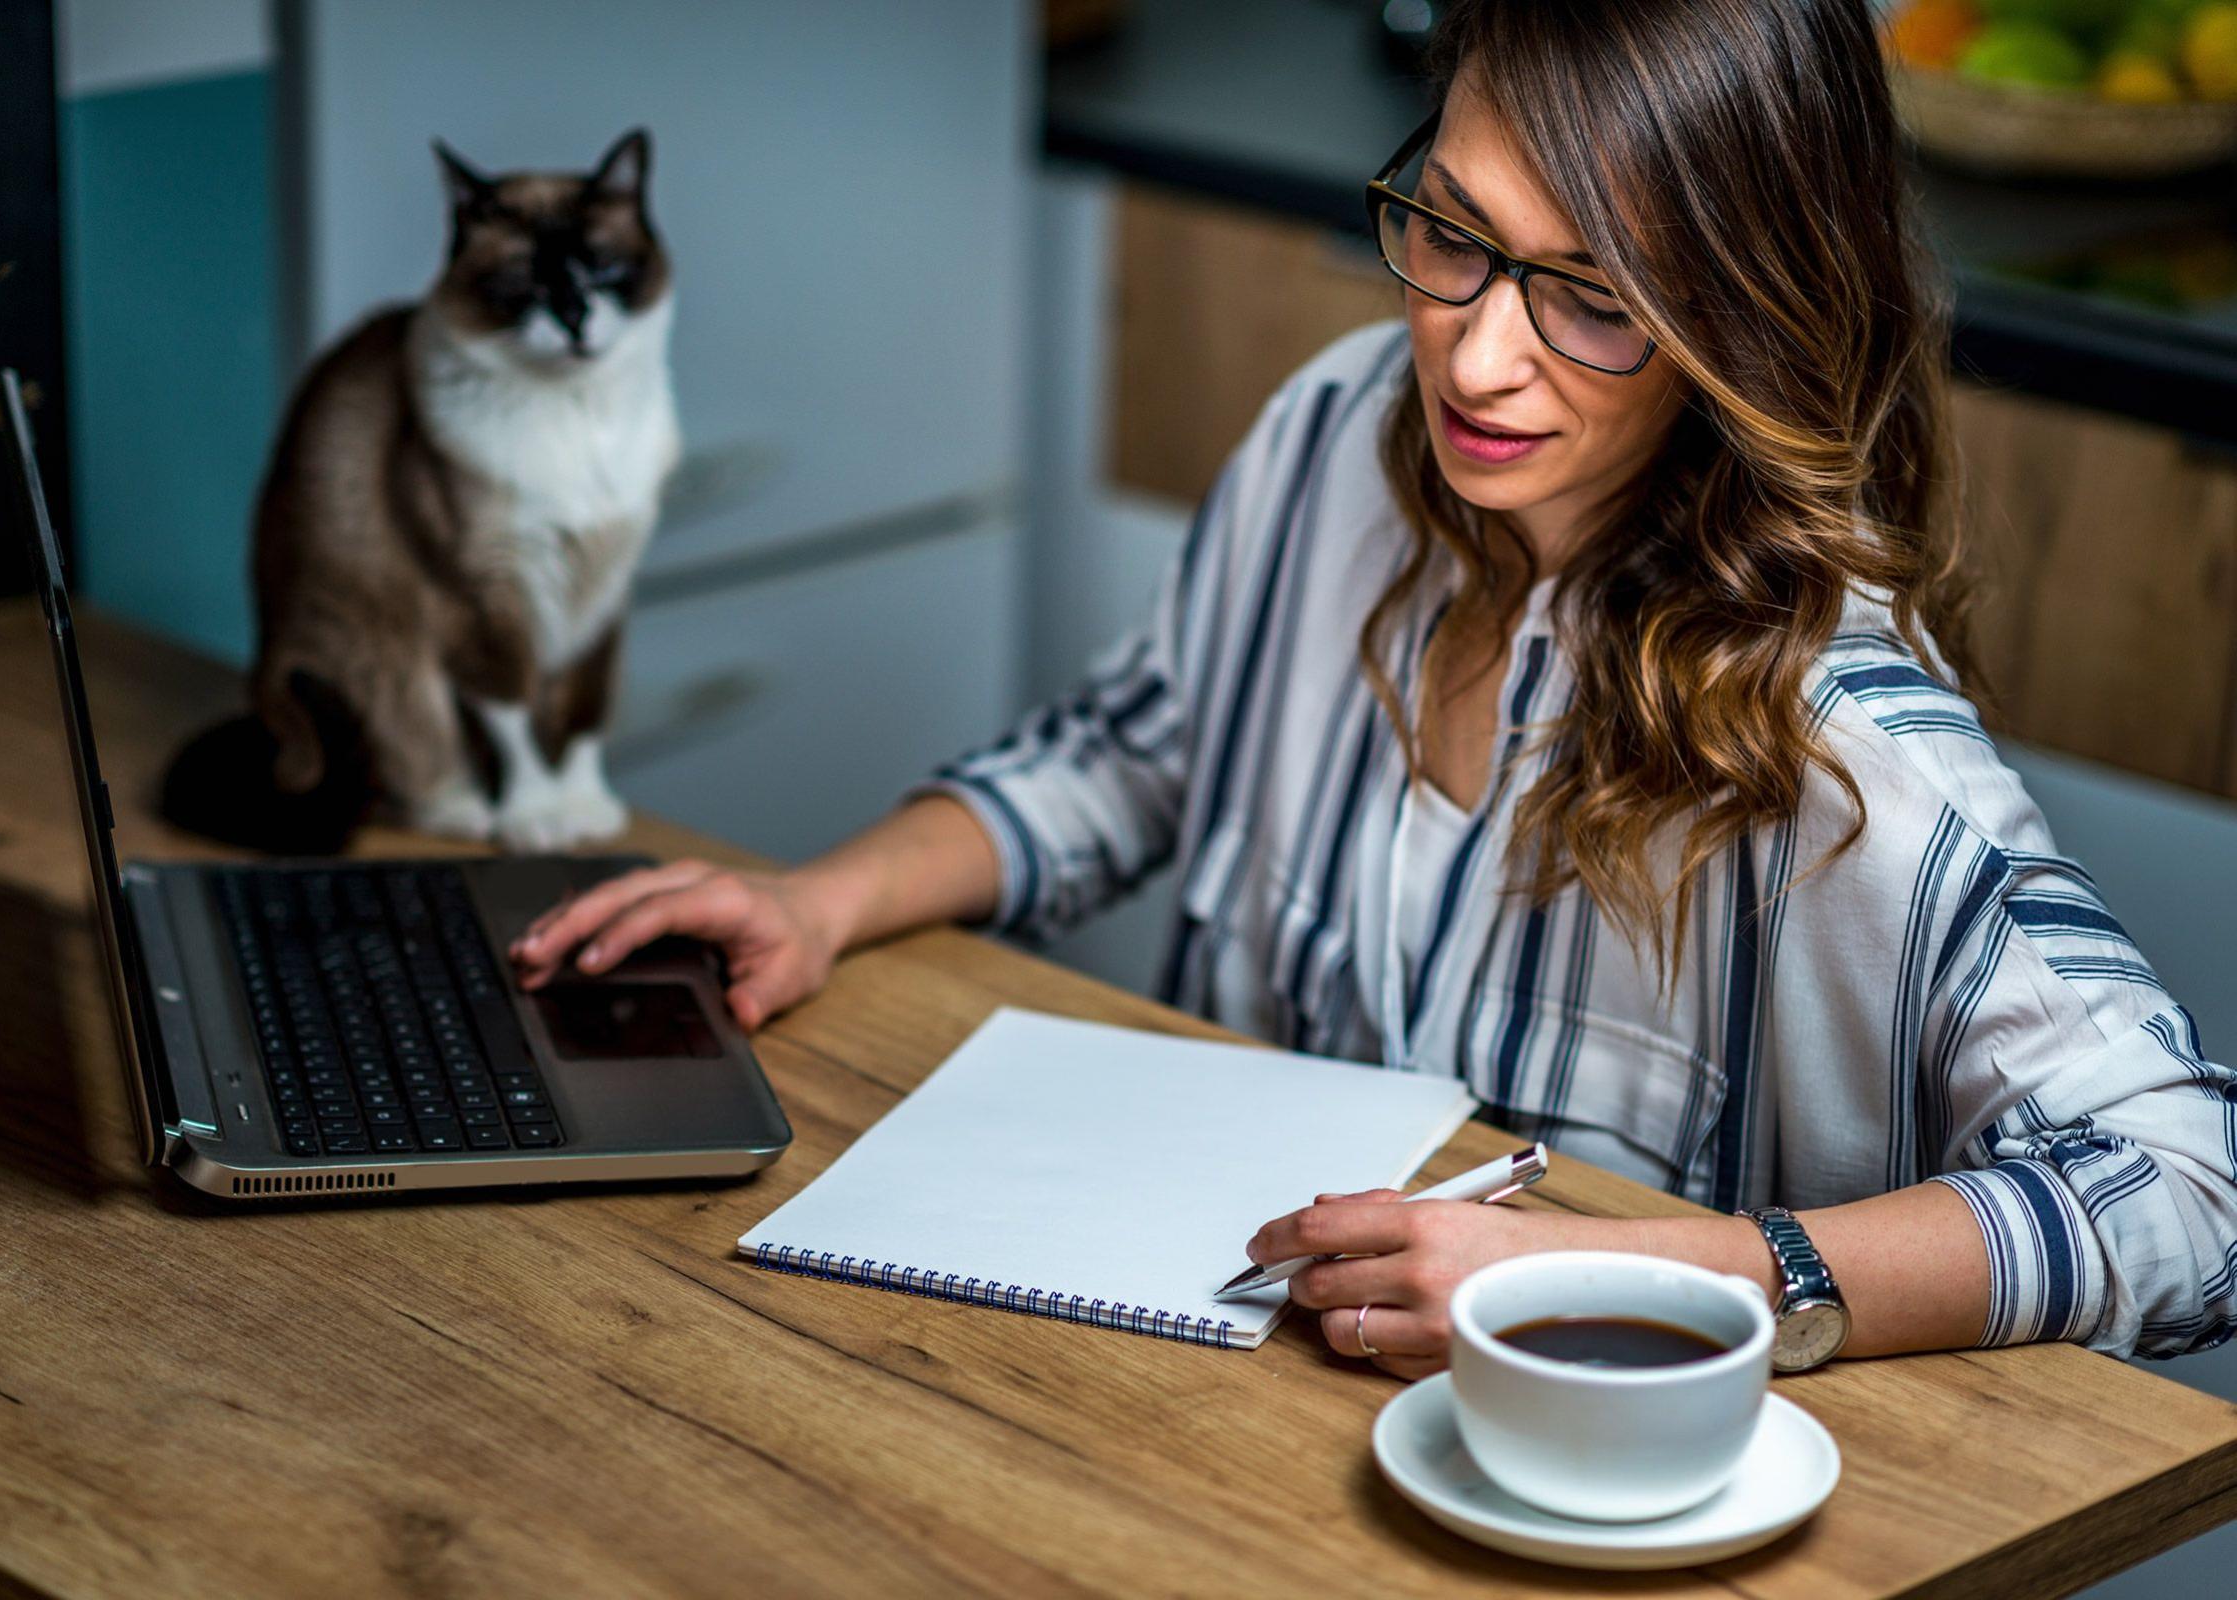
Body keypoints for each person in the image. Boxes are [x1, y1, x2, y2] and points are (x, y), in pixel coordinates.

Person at [511, 0, 2237, 1378]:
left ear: (1752, 317)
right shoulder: (1343, 427)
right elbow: (1135, 754)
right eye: (1457, 236)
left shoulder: (1843, 738)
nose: (1478, 356)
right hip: (1221, 1395)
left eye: (1597, 297)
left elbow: (2192, 1196)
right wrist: (824, 901)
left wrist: (1665, 1270)